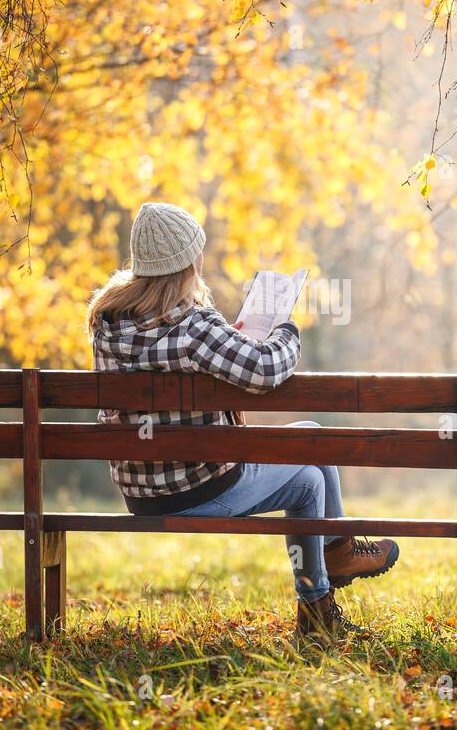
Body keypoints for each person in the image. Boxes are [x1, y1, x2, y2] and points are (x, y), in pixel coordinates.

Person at [86, 201, 399, 637]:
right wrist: (285, 330)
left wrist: (228, 341)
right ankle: (320, 602)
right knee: (309, 479)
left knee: (312, 437)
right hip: (198, 487)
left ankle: (338, 554)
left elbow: (170, 357)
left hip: (141, 492)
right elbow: (267, 370)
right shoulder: (193, 325)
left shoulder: (107, 324)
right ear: (186, 264)